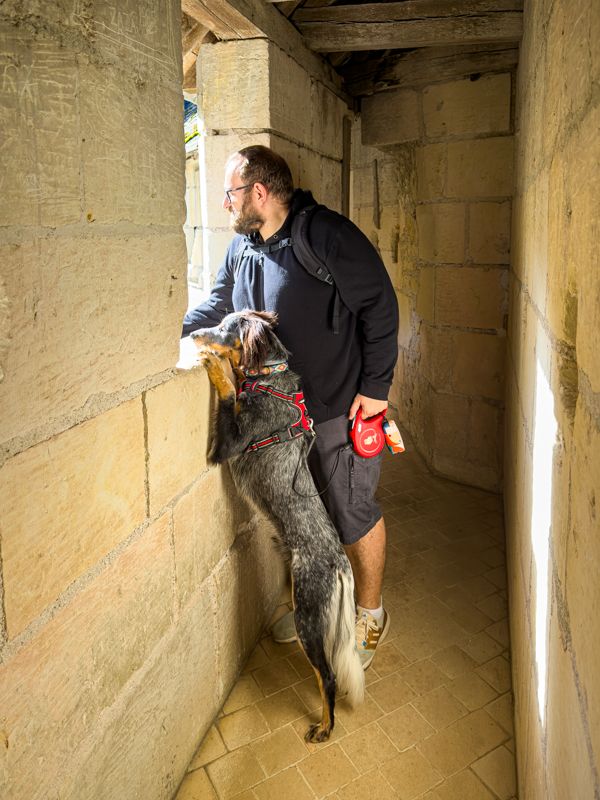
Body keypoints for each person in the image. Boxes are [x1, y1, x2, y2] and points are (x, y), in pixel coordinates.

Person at [183, 145, 399, 669]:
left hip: (337, 409)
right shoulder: (243, 248)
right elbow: (216, 305)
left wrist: (376, 389)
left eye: (230, 193)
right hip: (279, 419)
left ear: (258, 192)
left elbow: (380, 305)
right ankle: (322, 608)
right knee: (308, 520)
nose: (225, 203)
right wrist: (171, 335)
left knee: (351, 513)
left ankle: (370, 615)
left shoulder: (325, 235)